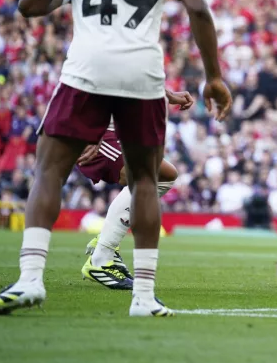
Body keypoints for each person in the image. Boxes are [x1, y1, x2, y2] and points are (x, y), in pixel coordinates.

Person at [0, 0, 231, 317]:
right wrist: (213, 77)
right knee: (148, 181)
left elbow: (29, 4)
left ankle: (30, 280)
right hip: (143, 75)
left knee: (49, 172)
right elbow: (198, 9)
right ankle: (144, 298)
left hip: (87, 71)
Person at [77, 87, 193, 290]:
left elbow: (137, 74)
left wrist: (168, 94)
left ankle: (104, 243)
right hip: (99, 126)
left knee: (164, 175)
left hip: (118, 125)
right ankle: (101, 260)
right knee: (143, 175)